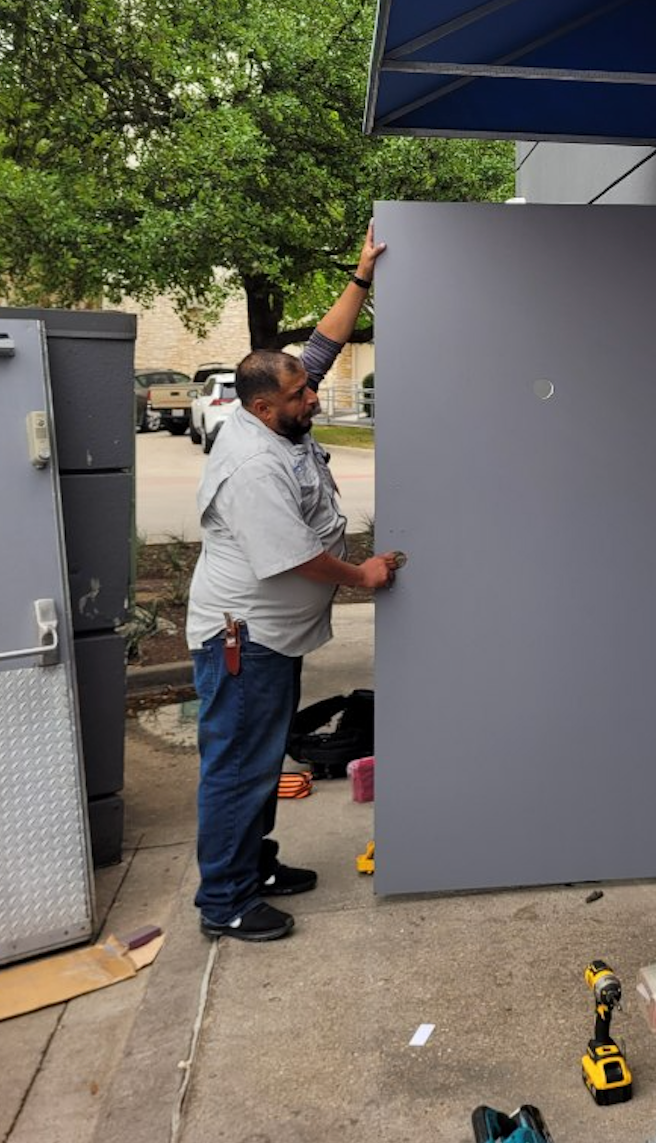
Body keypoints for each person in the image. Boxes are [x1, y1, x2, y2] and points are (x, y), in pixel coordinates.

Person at [186, 224, 400, 942]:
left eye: (307, 386)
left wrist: (362, 273)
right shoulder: (252, 464)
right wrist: (360, 576)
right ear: (261, 408)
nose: (314, 395)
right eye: (302, 394)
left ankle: (255, 866)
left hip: (268, 634)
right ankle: (225, 902)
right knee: (240, 767)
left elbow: (324, 342)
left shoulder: (278, 413)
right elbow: (293, 559)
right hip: (241, 637)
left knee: (258, 758)